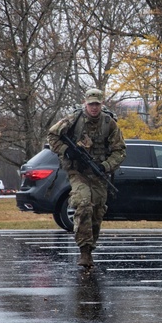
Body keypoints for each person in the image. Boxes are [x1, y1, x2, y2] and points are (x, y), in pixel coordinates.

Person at [47, 88, 126, 268]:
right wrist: (67, 151)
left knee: (97, 210)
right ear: (85, 104)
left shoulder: (109, 123)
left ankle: (90, 249)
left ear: (101, 104)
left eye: (97, 104)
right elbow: (52, 135)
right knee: (83, 204)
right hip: (78, 172)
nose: (94, 108)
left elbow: (120, 151)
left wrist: (105, 166)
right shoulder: (74, 120)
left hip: (99, 173)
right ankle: (84, 251)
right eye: (91, 104)